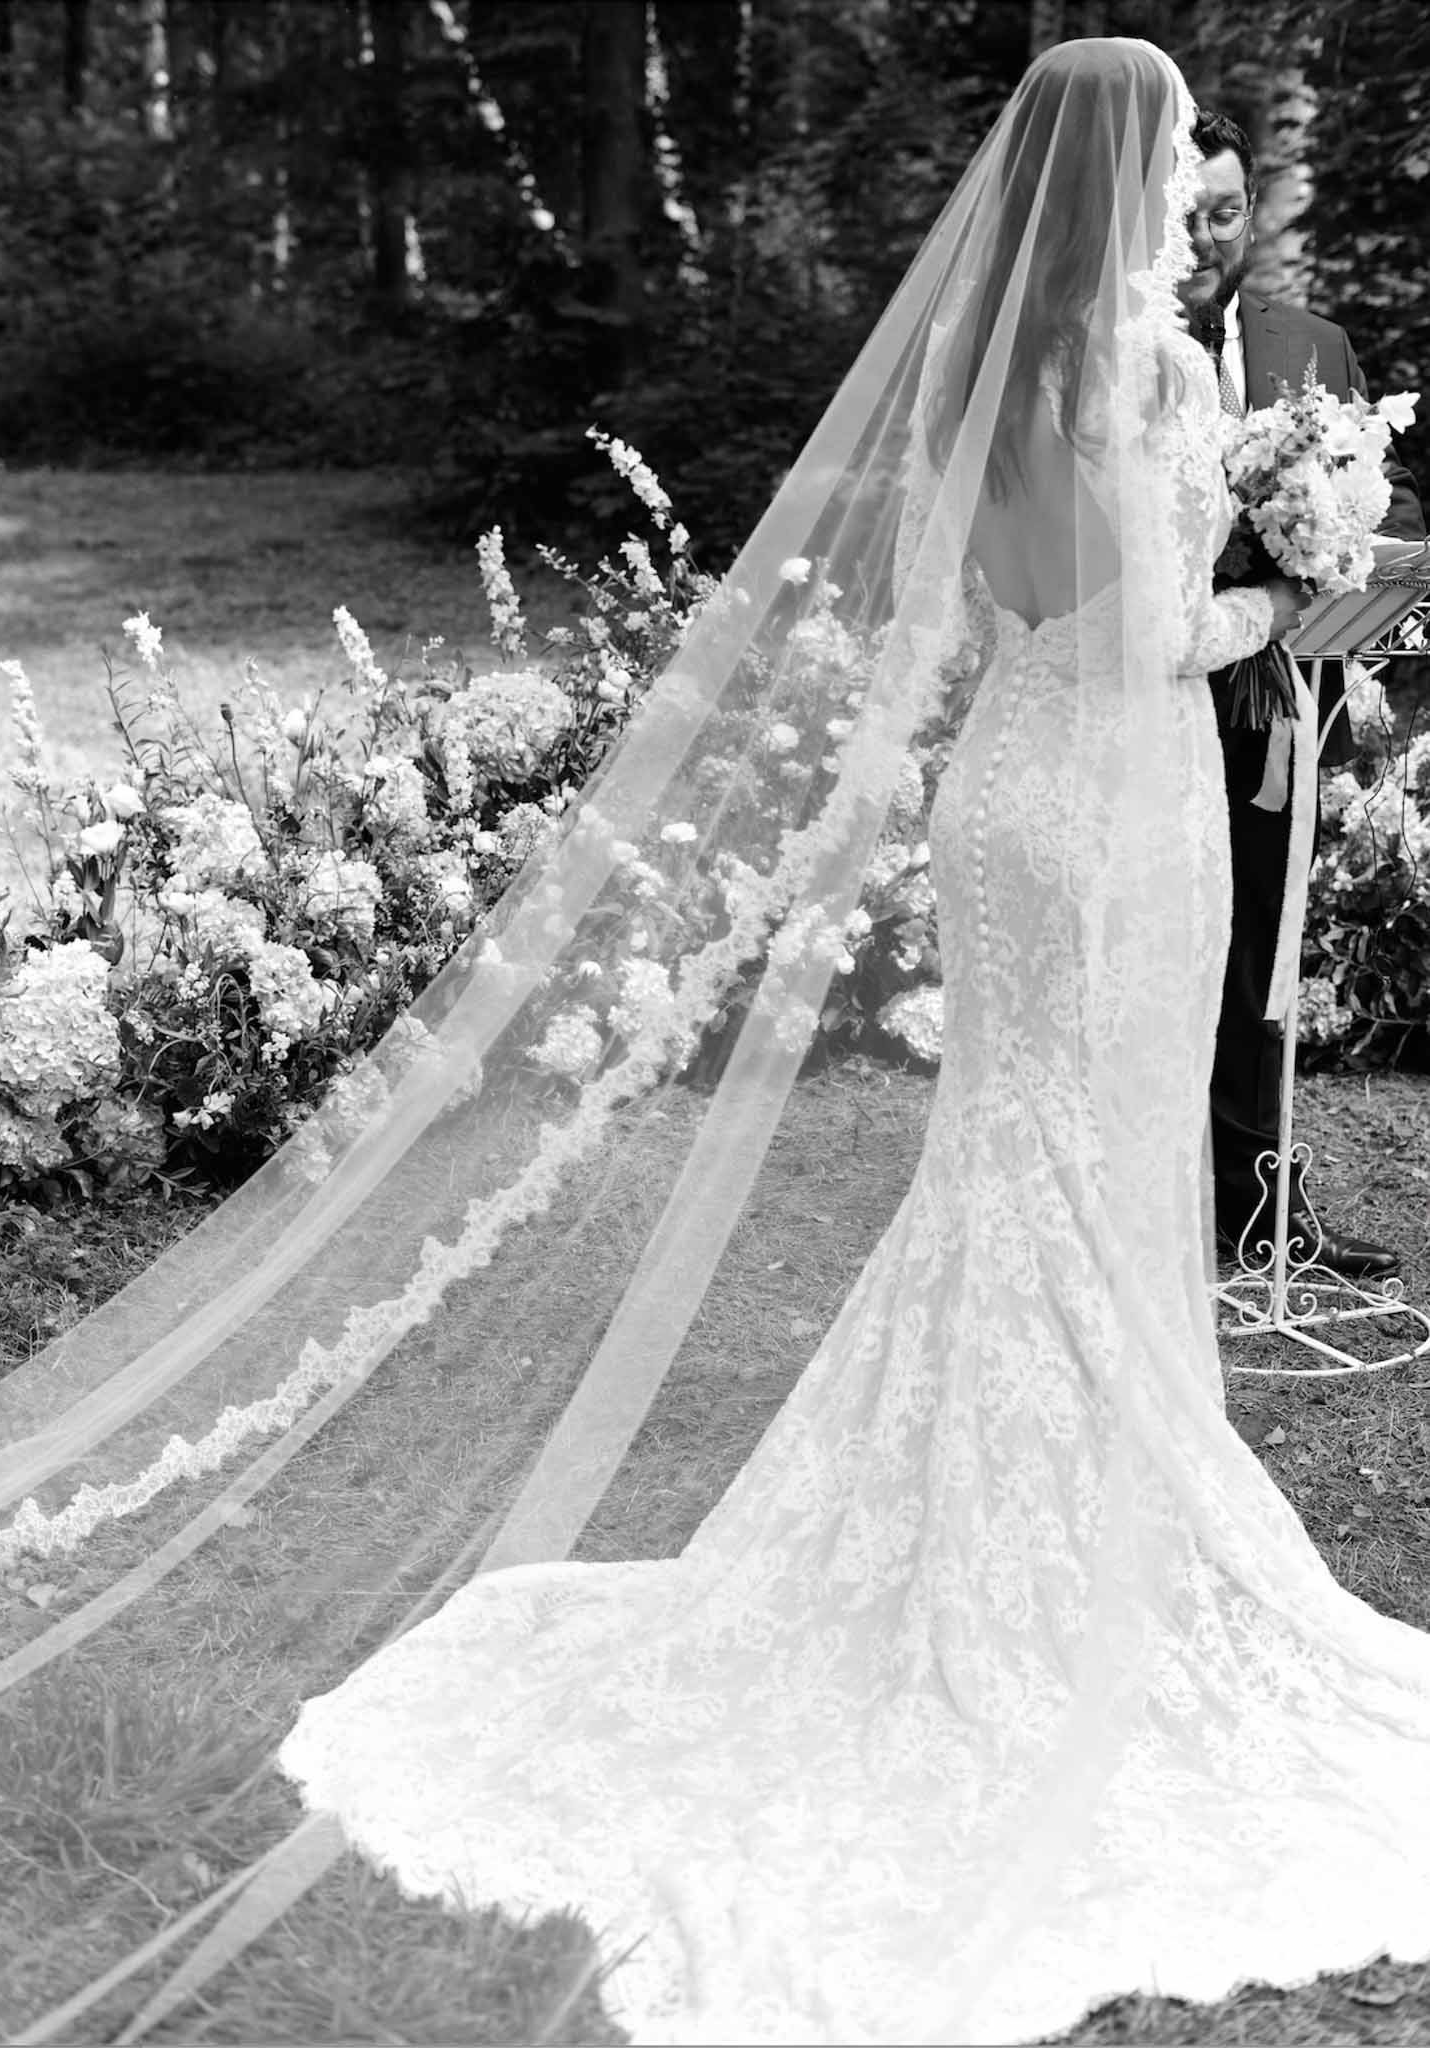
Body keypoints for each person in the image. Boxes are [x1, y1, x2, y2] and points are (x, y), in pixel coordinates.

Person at [275, 38, 1430, 2048]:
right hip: (1100, 816)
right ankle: (1056, 1562)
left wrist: (1259, 520)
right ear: (1124, 170)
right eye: (1175, 153)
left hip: (1041, 804)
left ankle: (1053, 1513)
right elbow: (1133, 636)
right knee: (1061, 1163)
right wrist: (1306, 590)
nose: (1194, 184)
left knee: (1034, 1159)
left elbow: (1046, 613)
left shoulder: (1021, 369)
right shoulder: (1126, 375)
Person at [1179, 109, 1426, 1277]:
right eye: (1183, 213)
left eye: (1224, 210)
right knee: (1162, 944)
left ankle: (1257, 1206)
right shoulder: (1112, 353)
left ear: (1252, 211)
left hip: (1284, 705)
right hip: (1161, 697)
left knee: (1260, 952)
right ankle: (1142, 1202)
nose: (1205, 236)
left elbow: (1397, 517)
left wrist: (1343, 563)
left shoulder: (1313, 346)